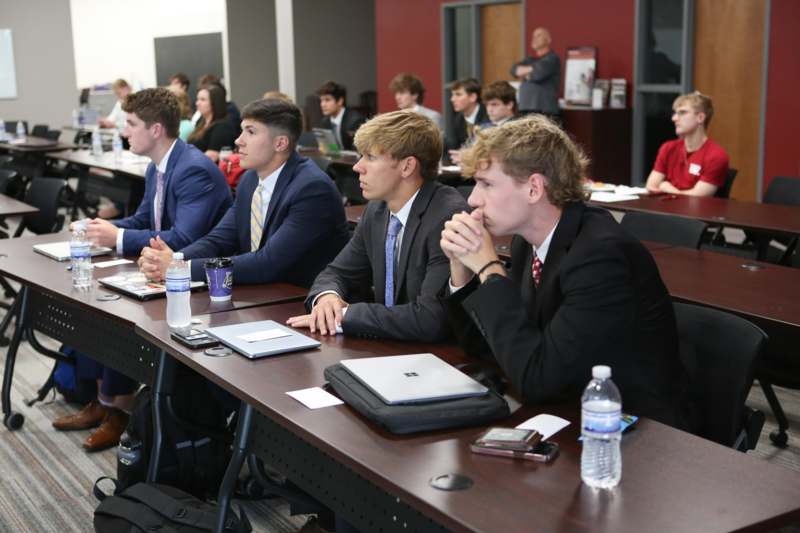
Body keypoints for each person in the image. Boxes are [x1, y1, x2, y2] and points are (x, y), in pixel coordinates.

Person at [440, 116, 686, 427]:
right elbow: (488, 347)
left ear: (533, 188)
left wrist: (490, 270)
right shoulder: (526, 243)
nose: (473, 199)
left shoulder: (599, 256)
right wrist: (460, 270)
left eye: (486, 184)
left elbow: (539, 380)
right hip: (568, 405)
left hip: (635, 429)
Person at [52, 88, 233, 451]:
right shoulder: (158, 167)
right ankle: (104, 402)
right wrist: (103, 230)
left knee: (120, 312)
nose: (124, 131)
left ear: (155, 130)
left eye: (131, 124)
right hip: (163, 269)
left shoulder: (193, 169)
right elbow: (143, 219)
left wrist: (118, 237)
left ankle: (118, 410)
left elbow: (184, 237)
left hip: (206, 282)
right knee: (96, 301)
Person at [287, 110, 467, 342]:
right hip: (388, 346)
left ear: (407, 166)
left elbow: (430, 319)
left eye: (370, 157)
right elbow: (338, 272)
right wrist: (327, 299)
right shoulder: (378, 209)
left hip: (437, 359)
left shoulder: (447, 215)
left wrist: (346, 315)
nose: (357, 166)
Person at [138, 98, 350, 287]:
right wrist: (171, 259)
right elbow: (219, 240)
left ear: (280, 143)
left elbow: (268, 263)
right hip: (265, 294)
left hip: (304, 300)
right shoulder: (250, 179)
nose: (239, 140)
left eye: (250, 131)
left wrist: (180, 268)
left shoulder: (311, 189)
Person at [645, 92, 729, 197]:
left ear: (700, 118)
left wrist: (667, 188)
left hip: (696, 212)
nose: (674, 118)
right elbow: (651, 186)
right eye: (675, 113)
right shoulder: (668, 148)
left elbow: (697, 198)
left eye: (682, 112)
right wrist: (667, 190)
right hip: (664, 210)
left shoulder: (717, 155)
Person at [511, 27, 561, 116]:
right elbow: (514, 70)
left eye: (539, 35)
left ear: (548, 39)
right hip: (524, 108)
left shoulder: (552, 58)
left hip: (544, 110)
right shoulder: (529, 59)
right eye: (533, 36)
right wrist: (531, 69)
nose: (534, 39)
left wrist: (525, 74)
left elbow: (538, 75)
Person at [187, 83, 238, 162]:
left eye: (203, 100)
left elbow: (211, 158)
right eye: (197, 99)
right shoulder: (200, 123)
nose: (197, 103)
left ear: (214, 103)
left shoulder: (222, 127)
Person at [444, 78, 488, 163]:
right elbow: (452, 148)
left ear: (472, 97)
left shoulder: (488, 116)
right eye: (452, 95)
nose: (452, 99)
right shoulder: (457, 119)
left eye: (458, 94)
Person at [317, 80, 366, 151]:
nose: (322, 104)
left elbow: (358, 151)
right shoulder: (325, 122)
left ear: (340, 101)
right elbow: (330, 149)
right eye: (321, 100)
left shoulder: (355, 120)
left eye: (327, 100)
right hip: (335, 160)